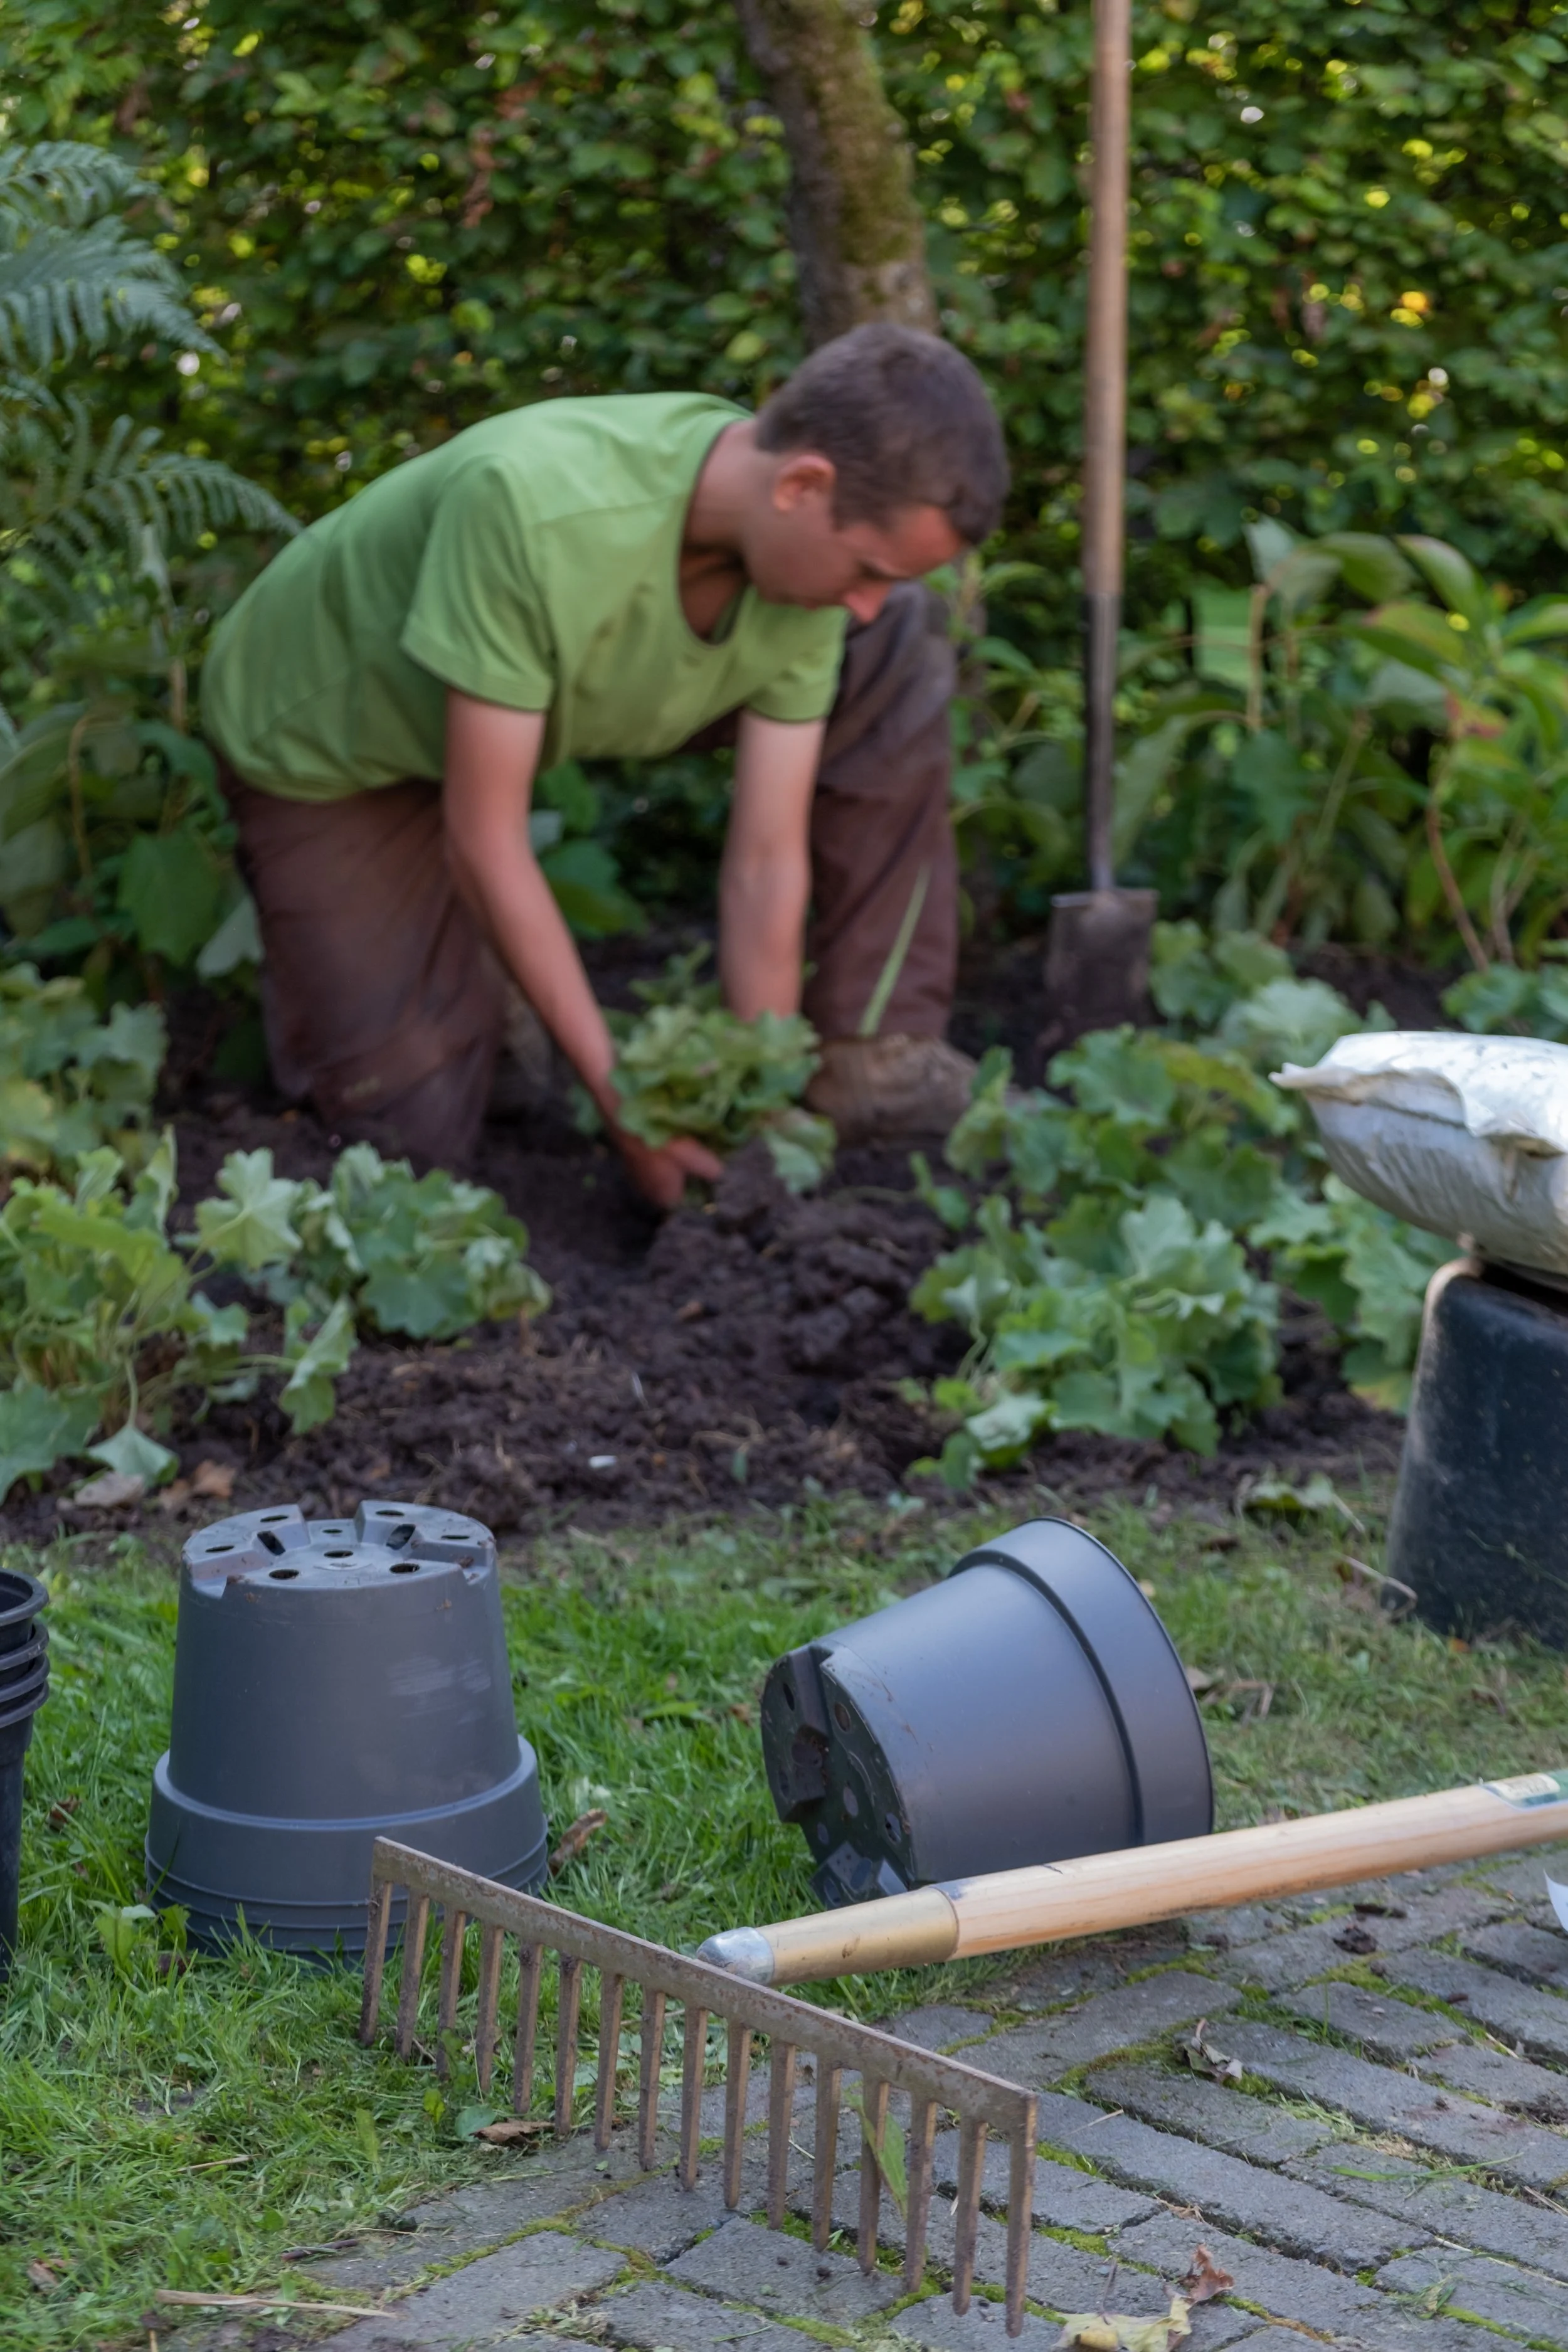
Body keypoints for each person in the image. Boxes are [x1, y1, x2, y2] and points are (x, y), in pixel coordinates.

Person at [201, 323, 1009, 1207]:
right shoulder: (527, 503)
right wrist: (625, 1099)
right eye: (865, 570)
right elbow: (486, 835)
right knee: (410, 1140)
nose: (863, 604)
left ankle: (868, 1055)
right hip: (329, 741)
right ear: (802, 484)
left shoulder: (809, 572)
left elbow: (767, 861)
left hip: (505, 720)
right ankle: (430, 956)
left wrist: (755, 1094)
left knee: (899, 638)